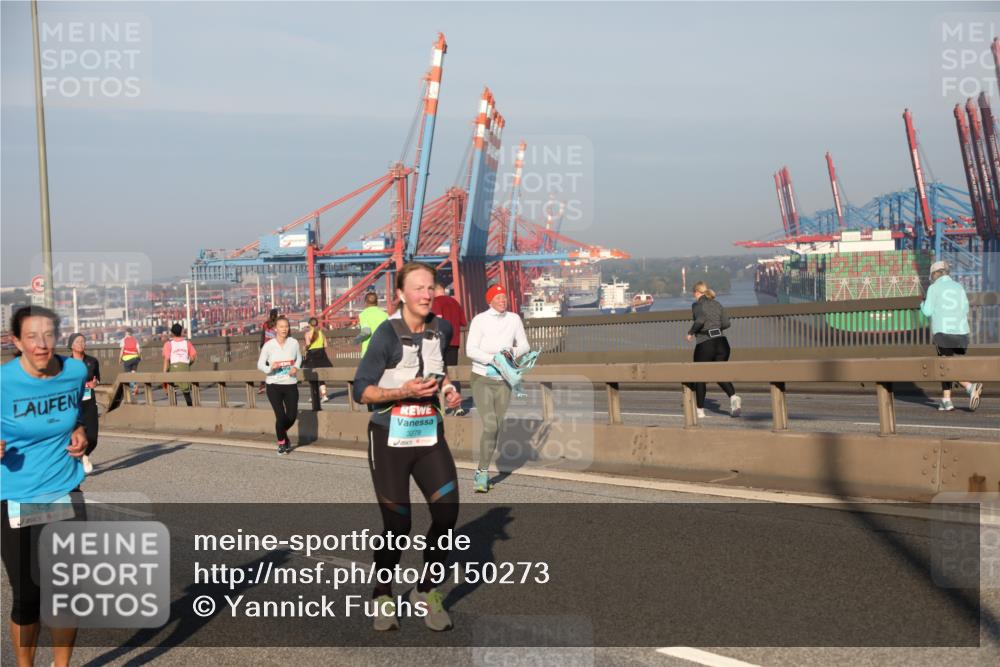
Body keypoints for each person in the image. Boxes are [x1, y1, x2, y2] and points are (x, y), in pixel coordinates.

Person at [352, 262, 463, 632]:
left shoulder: (441, 329)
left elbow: (439, 369)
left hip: (429, 435)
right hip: (389, 438)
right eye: (418, 288)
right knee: (398, 525)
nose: (427, 294)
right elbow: (361, 390)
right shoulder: (385, 335)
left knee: (447, 515)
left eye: (431, 287)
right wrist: (403, 391)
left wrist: (447, 389)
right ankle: (383, 594)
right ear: (400, 294)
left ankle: (426, 590)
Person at [1, 306, 88, 667]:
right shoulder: (3, 383)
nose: (42, 345)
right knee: (27, 598)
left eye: (48, 335)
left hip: (64, 491)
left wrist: (80, 432)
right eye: (32, 337)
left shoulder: (75, 371)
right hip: (17, 497)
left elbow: (76, 413)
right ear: (16, 342)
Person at [465, 283, 530, 493]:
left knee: (496, 427)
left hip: (504, 380)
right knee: (491, 425)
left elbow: (525, 345)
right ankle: (481, 473)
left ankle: (482, 468)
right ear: (490, 300)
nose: (503, 301)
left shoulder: (514, 319)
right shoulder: (480, 320)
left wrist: (509, 353)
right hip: (482, 378)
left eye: (504, 297)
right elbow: (470, 350)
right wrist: (494, 359)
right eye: (498, 297)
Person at [920, 260, 982, 411]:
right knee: (946, 362)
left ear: (935, 274)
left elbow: (927, 312)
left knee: (944, 366)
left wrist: (922, 304)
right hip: (962, 334)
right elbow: (966, 308)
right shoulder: (959, 287)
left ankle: (969, 387)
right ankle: (946, 400)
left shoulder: (933, 288)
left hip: (943, 333)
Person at [685, 281, 742, 419]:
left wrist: (691, 332)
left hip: (706, 344)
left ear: (697, 293)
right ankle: (734, 397)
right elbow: (727, 323)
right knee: (719, 374)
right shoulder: (717, 304)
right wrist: (715, 328)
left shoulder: (697, 304)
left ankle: (700, 411)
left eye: (694, 294)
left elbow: (700, 319)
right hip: (722, 343)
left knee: (700, 377)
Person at [257, 316, 301, 454]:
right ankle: (282, 442)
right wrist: (270, 368)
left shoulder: (293, 343)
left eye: (286, 326)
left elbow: (299, 357)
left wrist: (296, 367)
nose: (284, 329)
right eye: (281, 327)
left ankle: (281, 431)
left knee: (292, 416)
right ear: (275, 328)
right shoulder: (269, 345)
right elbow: (260, 364)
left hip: (290, 384)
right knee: (280, 416)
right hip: (274, 385)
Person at [430, 282, 468, 416]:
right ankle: (458, 406)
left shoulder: (436, 302)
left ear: (434, 291)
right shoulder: (455, 303)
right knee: (453, 373)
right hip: (455, 342)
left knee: (437, 372)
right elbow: (463, 322)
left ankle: (437, 406)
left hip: (440, 343)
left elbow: (437, 322)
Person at [67, 333, 101, 474]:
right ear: (71, 346)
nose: (81, 344)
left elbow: (97, 378)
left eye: (83, 341)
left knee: (92, 436)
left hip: (89, 402)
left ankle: (85, 455)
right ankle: (73, 465)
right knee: (73, 436)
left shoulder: (92, 361)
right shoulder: (65, 365)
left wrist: (94, 383)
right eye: (78, 342)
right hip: (73, 404)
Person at [162, 323, 197, 406]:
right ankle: (190, 407)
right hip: (185, 369)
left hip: (173, 370)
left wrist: (164, 373)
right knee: (186, 392)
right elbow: (193, 357)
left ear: (172, 333)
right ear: (181, 332)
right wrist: (187, 363)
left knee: (170, 389)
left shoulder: (168, 344)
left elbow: (166, 359)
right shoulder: (187, 343)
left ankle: (174, 406)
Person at [303, 317, 333, 411]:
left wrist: (305, 348)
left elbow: (308, 345)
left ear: (309, 324)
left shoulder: (307, 334)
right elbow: (326, 345)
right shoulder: (321, 333)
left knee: (312, 375)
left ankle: (314, 395)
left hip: (312, 355)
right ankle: (324, 396)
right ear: (316, 324)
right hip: (321, 354)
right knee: (321, 376)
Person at [356, 292, 388, 357]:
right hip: (383, 351)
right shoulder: (385, 315)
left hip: (368, 352)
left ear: (365, 302)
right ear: (377, 302)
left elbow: (366, 332)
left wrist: (357, 340)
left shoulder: (363, 315)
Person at [258, 308, 279, 394]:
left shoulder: (265, 324)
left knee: (265, 367)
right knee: (275, 366)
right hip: (275, 348)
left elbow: (263, 336)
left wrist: (262, 346)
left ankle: (262, 386)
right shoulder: (277, 324)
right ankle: (274, 384)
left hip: (266, 347)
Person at [119, 327, 141, 397]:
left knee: (128, 375)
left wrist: (120, 359)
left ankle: (133, 388)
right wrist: (139, 357)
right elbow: (139, 350)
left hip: (127, 359)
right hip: (135, 358)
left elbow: (122, 350)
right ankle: (134, 386)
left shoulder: (123, 340)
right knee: (133, 373)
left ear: (126, 333)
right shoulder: (135, 340)